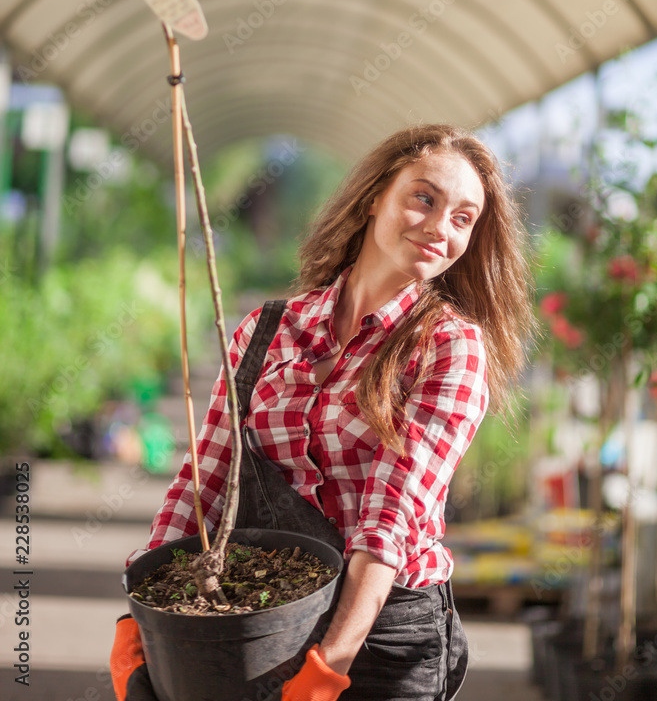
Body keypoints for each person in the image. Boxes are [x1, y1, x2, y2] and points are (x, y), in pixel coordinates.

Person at [111, 122, 538, 701]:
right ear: (371, 199)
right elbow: (205, 481)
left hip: (383, 635)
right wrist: (136, 617)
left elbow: (391, 519)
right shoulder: (267, 333)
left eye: (463, 218)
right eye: (424, 198)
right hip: (258, 613)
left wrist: (329, 668)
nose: (441, 227)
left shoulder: (448, 347)